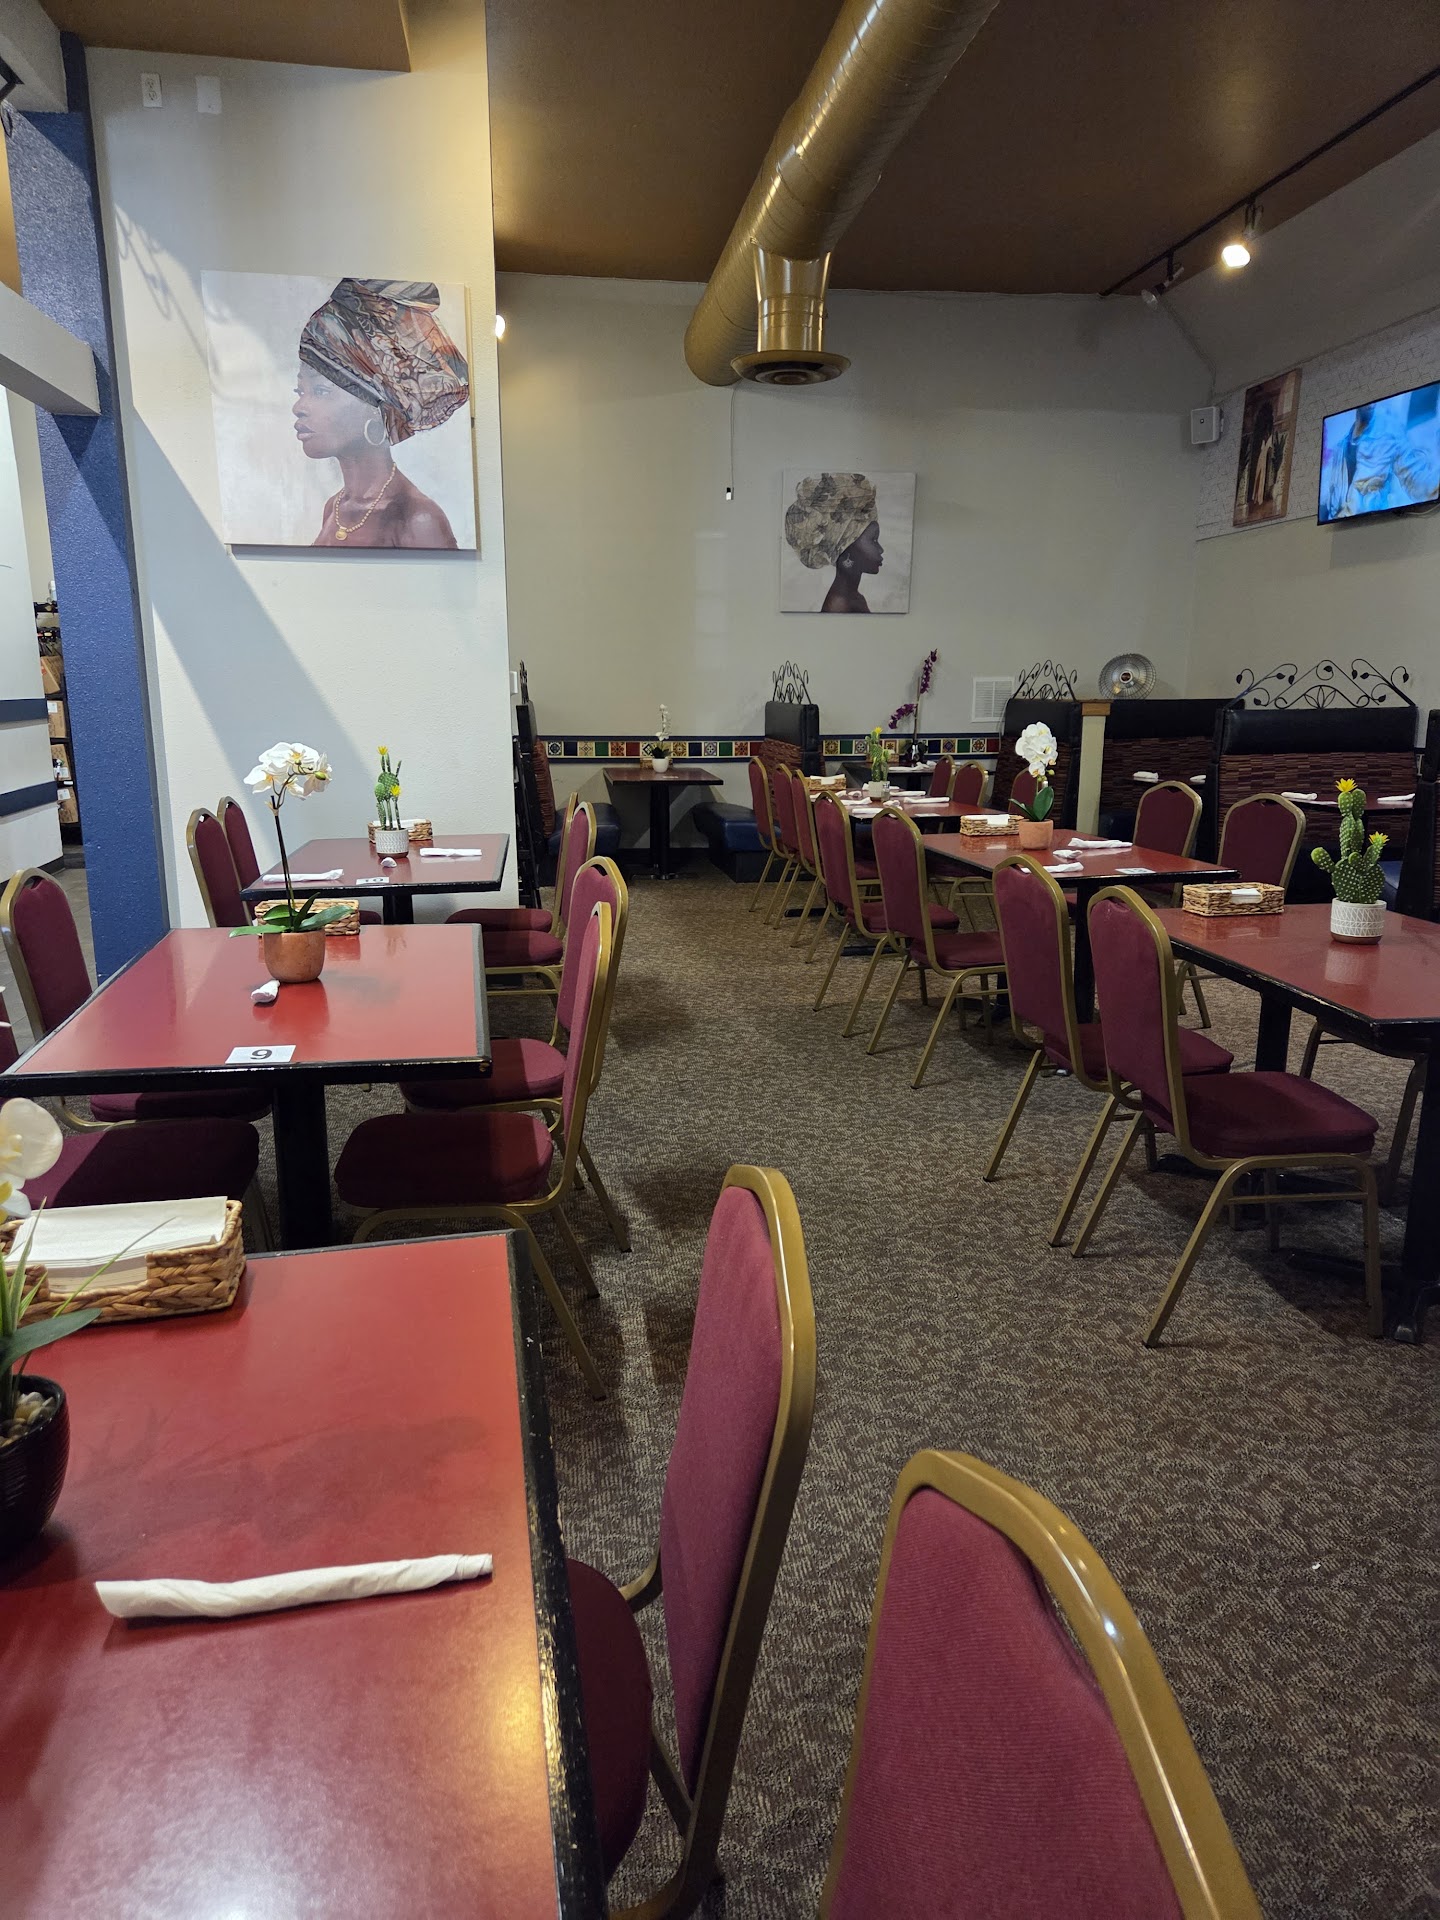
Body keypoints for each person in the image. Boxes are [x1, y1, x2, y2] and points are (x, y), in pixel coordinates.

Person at [294, 278, 469, 549]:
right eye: (300, 392)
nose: (299, 407)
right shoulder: (335, 509)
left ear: (375, 406)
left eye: (321, 391)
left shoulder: (417, 520)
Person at [784, 473, 884, 612]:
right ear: (845, 548)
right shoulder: (840, 604)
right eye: (873, 540)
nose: (881, 549)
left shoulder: (852, 598)